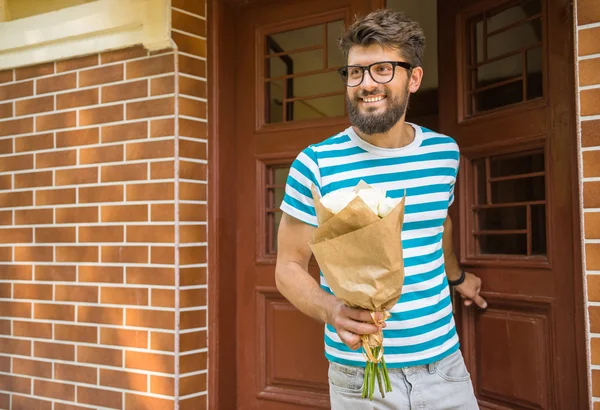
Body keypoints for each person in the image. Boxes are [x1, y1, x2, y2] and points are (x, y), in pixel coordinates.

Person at [275, 8, 486, 410]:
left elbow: (438, 225)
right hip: (361, 378)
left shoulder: (444, 154)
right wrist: (333, 310)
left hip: (444, 367)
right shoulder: (316, 163)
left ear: (415, 78)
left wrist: (458, 277)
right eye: (355, 73)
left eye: (382, 70)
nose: (366, 84)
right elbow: (288, 266)